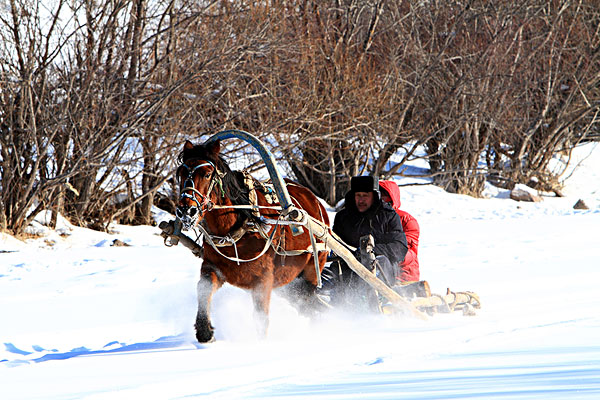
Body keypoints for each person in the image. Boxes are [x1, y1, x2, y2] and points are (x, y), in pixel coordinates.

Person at [323, 175, 408, 311]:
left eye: (365, 196)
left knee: (377, 263)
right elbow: (334, 243)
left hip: (380, 267)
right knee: (325, 275)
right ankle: (321, 303)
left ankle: (369, 303)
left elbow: (400, 247)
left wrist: (372, 251)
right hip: (347, 267)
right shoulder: (343, 217)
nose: (361, 200)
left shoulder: (388, 216)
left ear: (374, 196)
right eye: (358, 195)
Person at [379, 180, 420, 282]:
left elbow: (407, 252)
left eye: (384, 195)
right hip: (377, 275)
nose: (380, 199)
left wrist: (382, 251)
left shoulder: (407, 220)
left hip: (402, 277)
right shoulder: (370, 219)